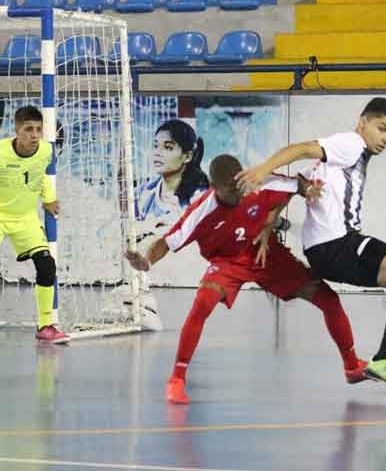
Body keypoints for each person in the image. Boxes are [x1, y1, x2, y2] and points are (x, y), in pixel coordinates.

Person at [125, 154, 367, 404]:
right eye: (230, 189)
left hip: (266, 255)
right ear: (214, 188)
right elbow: (167, 242)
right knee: (202, 304)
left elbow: (297, 185)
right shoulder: (202, 211)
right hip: (228, 262)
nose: (239, 193)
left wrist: (304, 195)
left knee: (328, 298)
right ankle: (176, 378)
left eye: (240, 184)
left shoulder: (259, 183)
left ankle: (352, 366)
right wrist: (147, 262)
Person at [235, 97, 386, 392]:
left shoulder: (334, 163)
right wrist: (263, 170)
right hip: (339, 244)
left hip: (325, 252)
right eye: (381, 128)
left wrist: (269, 224)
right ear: (362, 122)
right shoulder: (350, 144)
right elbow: (300, 149)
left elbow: (295, 185)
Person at [0, 106, 68, 343]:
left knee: (47, 266)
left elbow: (42, 175)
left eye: (38, 129)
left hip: (25, 218)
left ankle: (45, 325)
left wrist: (48, 198)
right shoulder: (0, 153)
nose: (34, 135)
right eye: (28, 129)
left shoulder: (46, 151)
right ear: (16, 131)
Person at [135, 119, 209, 236]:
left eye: (168, 147)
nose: (157, 153)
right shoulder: (142, 193)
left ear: (188, 156)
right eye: (155, 146)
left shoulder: (201, 198)